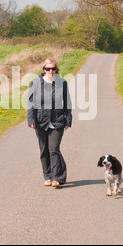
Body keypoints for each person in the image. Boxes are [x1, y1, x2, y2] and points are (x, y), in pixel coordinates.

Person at [27, 57, 72, 188]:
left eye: (53, 69)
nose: (50, 71)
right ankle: (47, 176)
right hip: (41, 121)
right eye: (48, 69)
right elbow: (30, 103)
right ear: (44, 69)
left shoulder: (62, 83)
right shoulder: (35, 83)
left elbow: (67, 103)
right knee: (44, 150)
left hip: (57, 121)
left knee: (54, 149)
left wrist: (68, 120)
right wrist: (31, 119)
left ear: (56, 69)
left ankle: (57, 177)